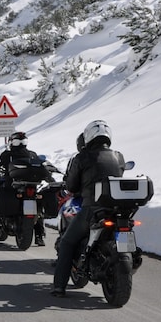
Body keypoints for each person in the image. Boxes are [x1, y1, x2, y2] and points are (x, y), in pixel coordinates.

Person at [51, 120, 126, 297]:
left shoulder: (82, 157)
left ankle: (59, 287)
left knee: (67, 243)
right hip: (117, 209)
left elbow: (71, 185)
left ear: (89, 136)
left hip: (92, 209)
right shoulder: (119, 156)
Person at [0, 131, 47, 246]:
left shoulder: (7, 155)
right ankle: (39, 236)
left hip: (11, 187)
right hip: (31, 186)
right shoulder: (32, 154)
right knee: (38, 210)